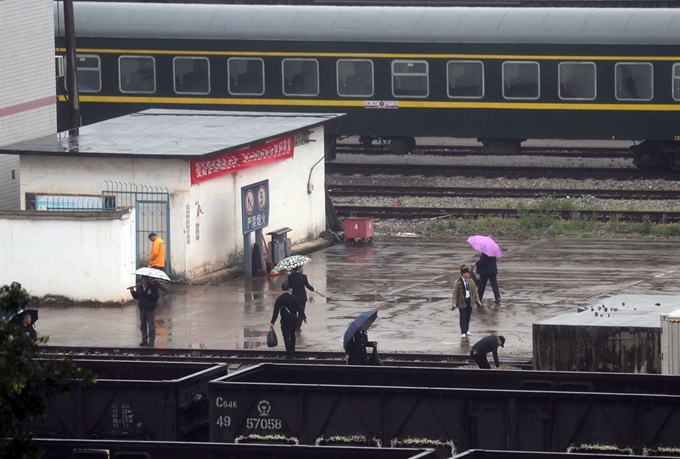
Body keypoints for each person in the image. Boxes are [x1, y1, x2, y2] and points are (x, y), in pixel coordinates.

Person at [270, 282, 307, 357]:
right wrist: (304, 317)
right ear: (289, 289)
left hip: (284, 320)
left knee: (286, 336)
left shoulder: (279, 299)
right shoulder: (294, 298)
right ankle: (293, 351)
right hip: (293, 319)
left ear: (281, 289)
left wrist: (272, 322)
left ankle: (289, 353)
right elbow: (300, 309)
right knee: (293, 335)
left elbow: (276, 312)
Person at [452, 265, 481, 338]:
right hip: (462, 301)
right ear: (463, 274)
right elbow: (455, 293)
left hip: (469, 300)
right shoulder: (457, 282)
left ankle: (467, 329)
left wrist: (477, 300)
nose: (469, 274)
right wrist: (454, 302)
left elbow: (475, 292)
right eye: (467, 273)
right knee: (463, 316)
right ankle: (463, 331)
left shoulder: (471, 281)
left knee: (468, 316)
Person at [129, 275, 159, 347]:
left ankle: (151, 341)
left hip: (150, 309)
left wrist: (150, 294)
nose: (145, 281)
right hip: (142, 309)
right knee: (143, 326)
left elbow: (156, 297)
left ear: (148, 280)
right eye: (144, 279)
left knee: (151, 326)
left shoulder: (152, 287)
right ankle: (144, 340)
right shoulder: (140, 288)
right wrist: (132, 291)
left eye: (146, 279)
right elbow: (137, 297)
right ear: (142, 280)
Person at [287, 266, 315, 332]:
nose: (302, 269)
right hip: (302, 297)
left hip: (294, 297)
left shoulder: (290, 277)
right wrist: (313, 289)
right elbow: (307, 285)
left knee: (293, 312)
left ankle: (293, 326)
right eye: (301, 268)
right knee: (301, 312)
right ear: (299, 269)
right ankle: (298, 327)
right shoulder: (303, 276)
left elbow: (289, 287)